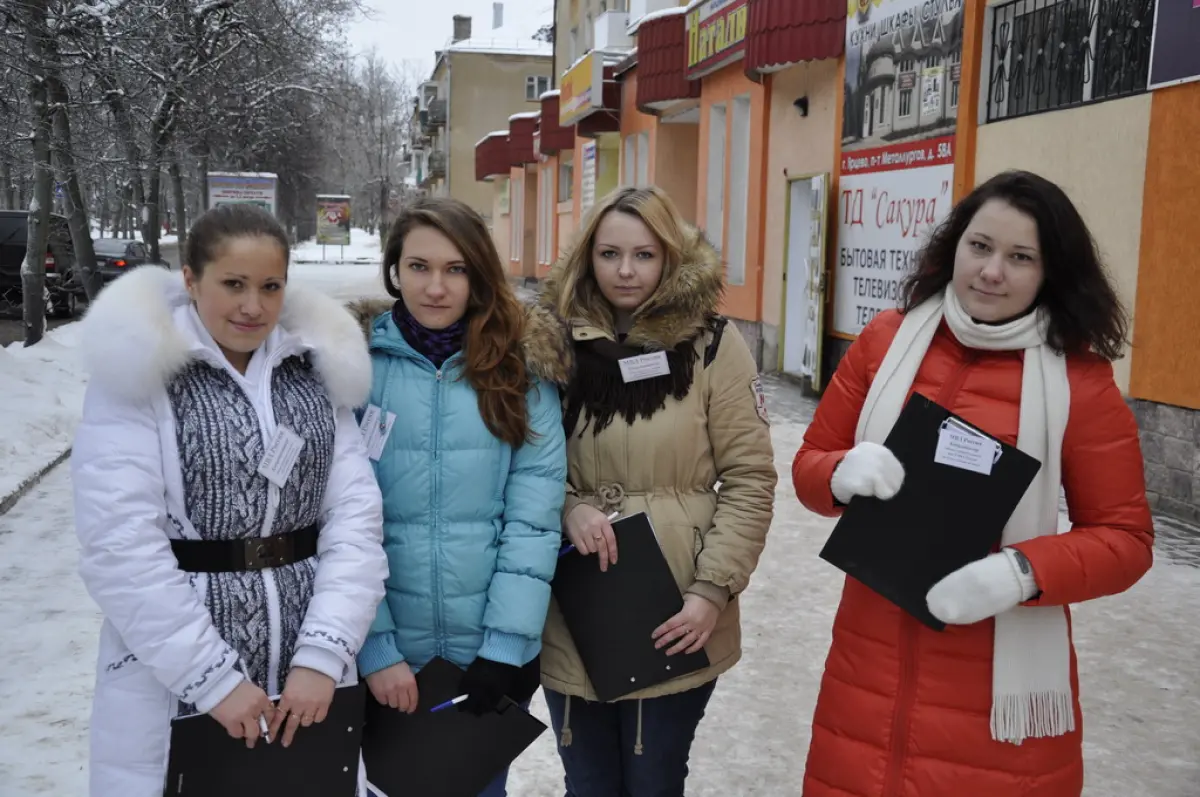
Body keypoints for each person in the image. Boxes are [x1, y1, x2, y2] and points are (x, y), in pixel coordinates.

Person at [792, 170, 1154, 797]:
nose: (991, 271)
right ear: (954, 245)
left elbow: (1126, 539)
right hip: (866, 680)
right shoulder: (886, 342)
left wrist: (1021, 573)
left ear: (1051, 272)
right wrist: (839, 473)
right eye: (980, 246)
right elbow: (810, 465)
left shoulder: (1079, 382)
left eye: (1020, 257)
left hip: (996, 712)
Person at [71, 203, 389, 797]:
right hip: (176, 675)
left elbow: (354, 521)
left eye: (270, 286)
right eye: (233, 284)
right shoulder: (142, 371)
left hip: (305, 670)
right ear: (191, 279)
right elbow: (119, 545)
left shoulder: (313, 366)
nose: (253, 306)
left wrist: (323, 656)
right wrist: (212, 679)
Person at [533, 186, 777, 796]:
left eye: (644, 254)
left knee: (653, 781)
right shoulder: (548, 341)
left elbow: (750, 478)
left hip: (674, 603)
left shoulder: (712, 344)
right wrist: (567, 505)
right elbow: (519, 461)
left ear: (670, 256)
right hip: (574, 601)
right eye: (609, 253)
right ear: (587, 256)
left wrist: (712, 590)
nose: (625, 270)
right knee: (588, 784)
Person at [347, 196, 568, 797]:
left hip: (486, 657)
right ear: (394, 270)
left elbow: (533, 519)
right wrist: (374, 648)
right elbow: (340, 520)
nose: (436, 287)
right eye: (418, 267)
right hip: (383, 653)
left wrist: (504, 648)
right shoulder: (356, 366)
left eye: (456, 269)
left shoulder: (520, 370)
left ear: (479, 274)